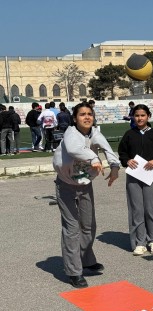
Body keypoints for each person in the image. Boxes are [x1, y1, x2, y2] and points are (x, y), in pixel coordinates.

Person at [52, 101, 120, 288]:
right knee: (72, 227)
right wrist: (94, 159)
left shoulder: (94, 133)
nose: (87, 117)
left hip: (84, 184)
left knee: (89, 225)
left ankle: (86, 259)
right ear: (75, 118)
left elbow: (107, 148)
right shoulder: (70, 133)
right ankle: (74, 271)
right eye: (82, 114)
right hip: (65, 185)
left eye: (89, 113)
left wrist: (114, 166)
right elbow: (74, 149)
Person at [118, 104, 153, 256]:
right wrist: (127, 161)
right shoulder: (129, 134)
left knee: (151, 208)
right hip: (134, 176)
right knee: (136, 209)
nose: (139, 118)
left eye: (142, 115)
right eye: (136, 115)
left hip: (150, 175)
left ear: (148, 116)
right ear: (133, 117)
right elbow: (122, 153)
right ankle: (139, 241)